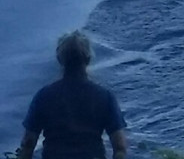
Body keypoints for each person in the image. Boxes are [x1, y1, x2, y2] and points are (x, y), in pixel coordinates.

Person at [17, 31, 128, 159]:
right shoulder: (105, 97)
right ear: (88, 59)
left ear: (60, 60)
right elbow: (120, 147)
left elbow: (28, 144)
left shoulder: (44, 96)